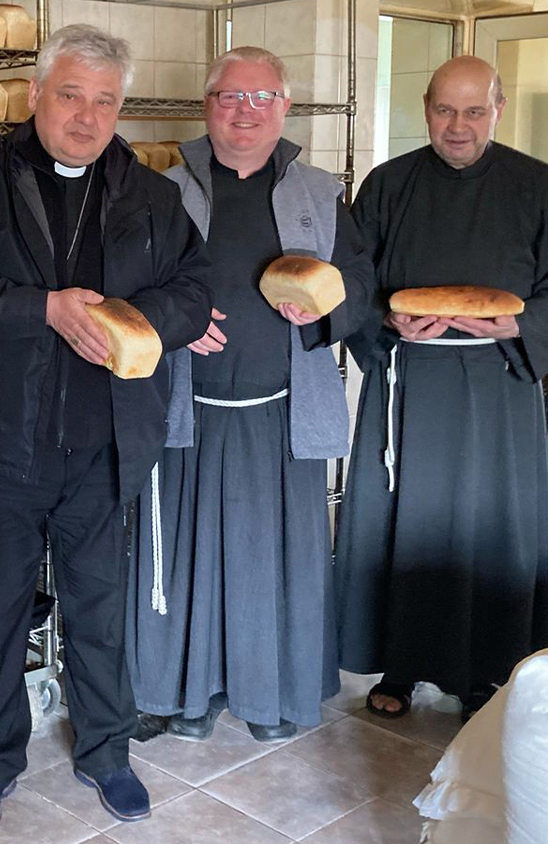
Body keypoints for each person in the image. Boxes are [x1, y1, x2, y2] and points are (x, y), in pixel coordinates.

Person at [0, 24, 211, 836]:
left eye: (105, 101)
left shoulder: (153, 195)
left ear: (121, 107)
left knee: (96, 608)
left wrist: (132, 318)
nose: (86, 116)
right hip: (7, 442)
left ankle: (108, 753)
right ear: (37, 94)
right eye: (71, 95)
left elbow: (195, 291)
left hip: (107, 441)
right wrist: (41, 308)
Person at [335, 56, 548, 720]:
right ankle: (401, 663)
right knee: (405, 524)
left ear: (498, 110)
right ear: (425, 109)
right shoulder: (389, 184)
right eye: (445, 110)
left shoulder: (539, 187)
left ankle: (486, 666)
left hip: (497, 380)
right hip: (409, 378)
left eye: (474, 111)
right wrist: (385, 319)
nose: (458, 126)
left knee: (485, 528)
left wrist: (522, 322)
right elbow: (352, 280)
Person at [126, 47, 375, 744]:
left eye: (261, 97)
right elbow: (127, 285)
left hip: (282, 416)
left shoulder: (323, 193)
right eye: (229, 97)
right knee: (185, 559)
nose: (244, 111)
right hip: (187, 414)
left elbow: (359, 284)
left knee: (277, 564)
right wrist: (175, 323)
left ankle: (273, 695)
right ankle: (185, 694)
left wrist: (322, 315)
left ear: (284, 107)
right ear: (206, 106)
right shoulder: (162, 191)